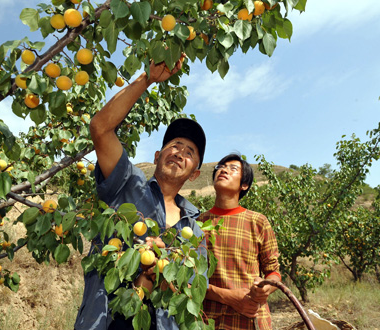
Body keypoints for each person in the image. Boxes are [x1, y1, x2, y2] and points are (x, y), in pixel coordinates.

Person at [74, 57, 207, 330]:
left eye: (190, 152)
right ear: (158, 156)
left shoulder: (195, 230)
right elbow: (100, 128)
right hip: (109, 321)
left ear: (194, 173)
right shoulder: (127, 184)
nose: (180, 152)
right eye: (175, 145)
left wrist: (160, 269)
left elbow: (191, 292)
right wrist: (146, 78)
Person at [200, 153, 281, 330]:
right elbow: (190, 280)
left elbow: (273, 271)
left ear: (244, 185)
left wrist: (265, 288)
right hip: (208, 321)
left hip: (251, 320)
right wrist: (227, 296)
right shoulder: (197, 223)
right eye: (220, 167)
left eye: (232, 168)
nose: (223, 170)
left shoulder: (258, 222)